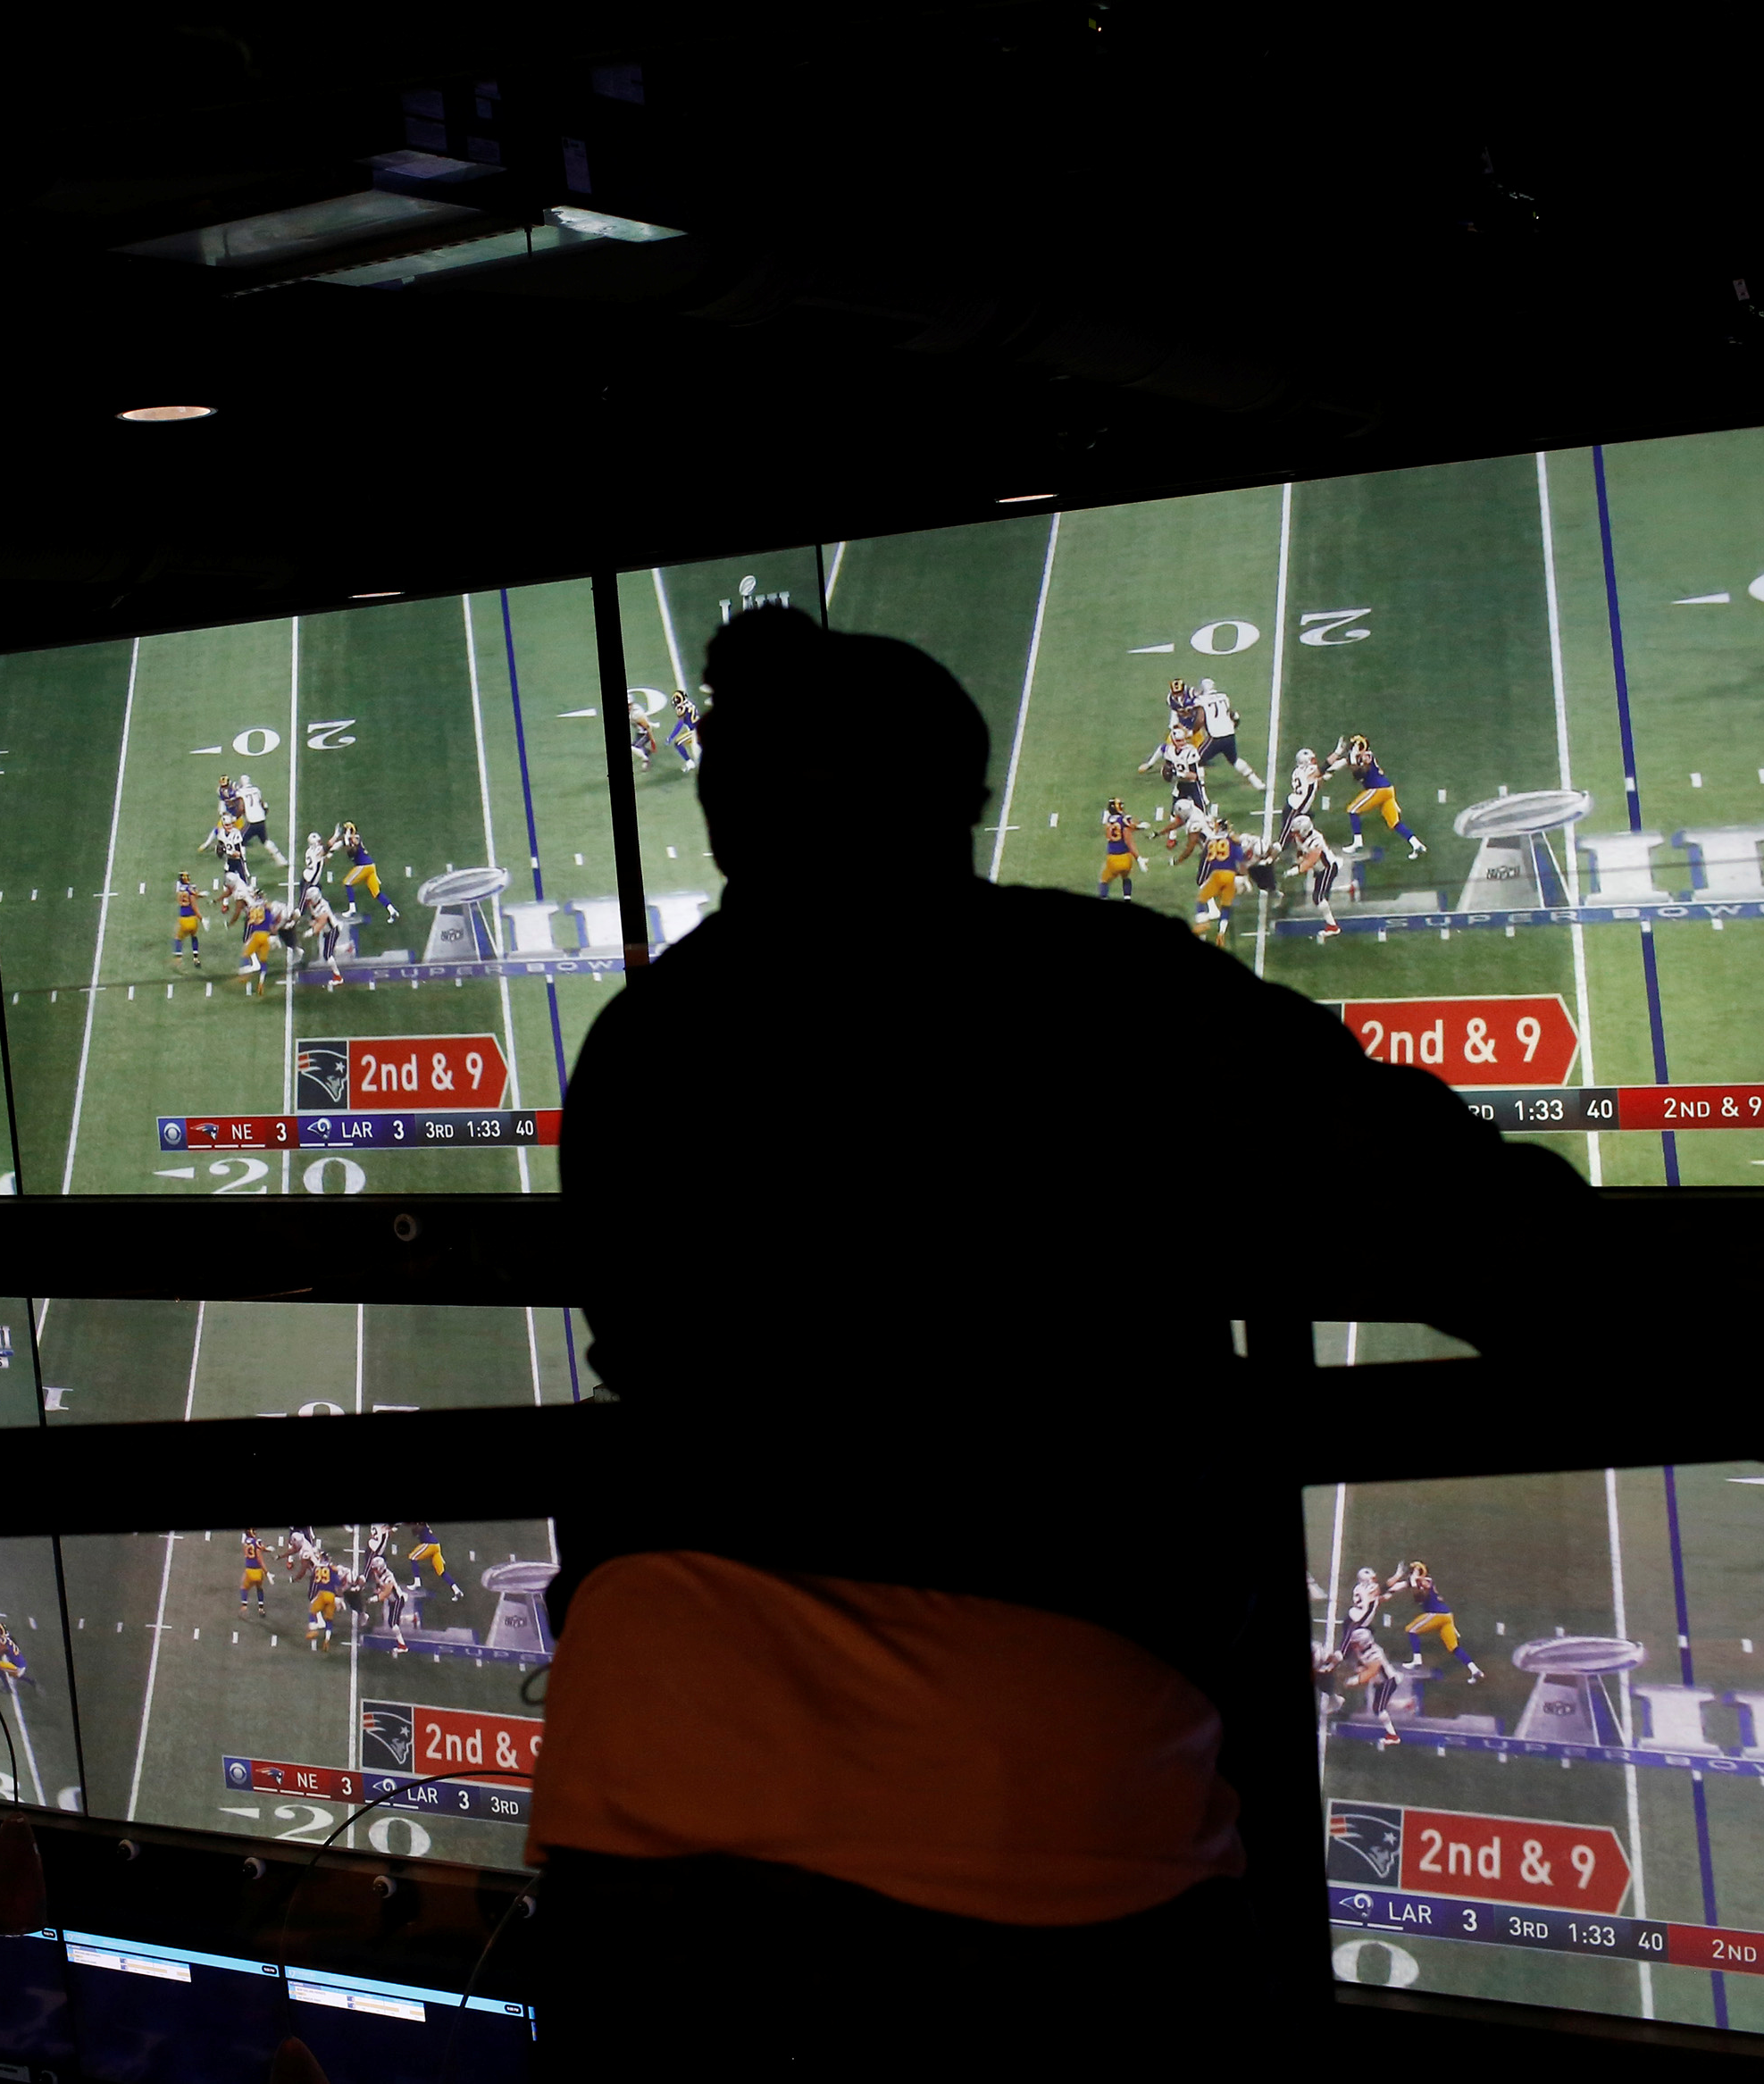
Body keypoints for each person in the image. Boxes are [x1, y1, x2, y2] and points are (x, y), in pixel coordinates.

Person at [539, 606, 1593, 2079]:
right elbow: (1442, 1214)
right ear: (955, 798)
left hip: (634, 1779)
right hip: (1018, 1797)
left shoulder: (647, 1035)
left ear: (723, 804)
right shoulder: (1098, 980)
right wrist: (1709, 1331)